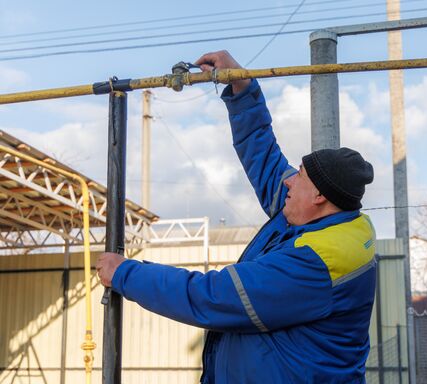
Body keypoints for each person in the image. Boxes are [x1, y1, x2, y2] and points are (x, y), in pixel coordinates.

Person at [97, 50, 376, 384]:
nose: (288, 179)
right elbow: (265, 155)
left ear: (318, 196)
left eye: (299, 175)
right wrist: (242, 86)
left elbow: (211, 297)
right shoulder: (318, 219)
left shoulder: (315, 263)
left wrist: (125, 273)